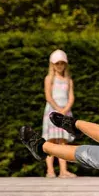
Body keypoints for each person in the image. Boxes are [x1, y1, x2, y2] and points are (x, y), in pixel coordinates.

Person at [42, 49, 77, 178]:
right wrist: (57, 109)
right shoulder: (49, 79)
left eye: (62, 63)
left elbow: (71, 97)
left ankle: (63, 171)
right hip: (52, 112)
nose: (60, 66)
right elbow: (48, 96)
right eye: (57, 63)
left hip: (65, 113)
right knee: (50, 141)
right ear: (53, 64)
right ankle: (50, 170)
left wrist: (65, 110)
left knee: (63, 141)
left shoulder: (68, 80)